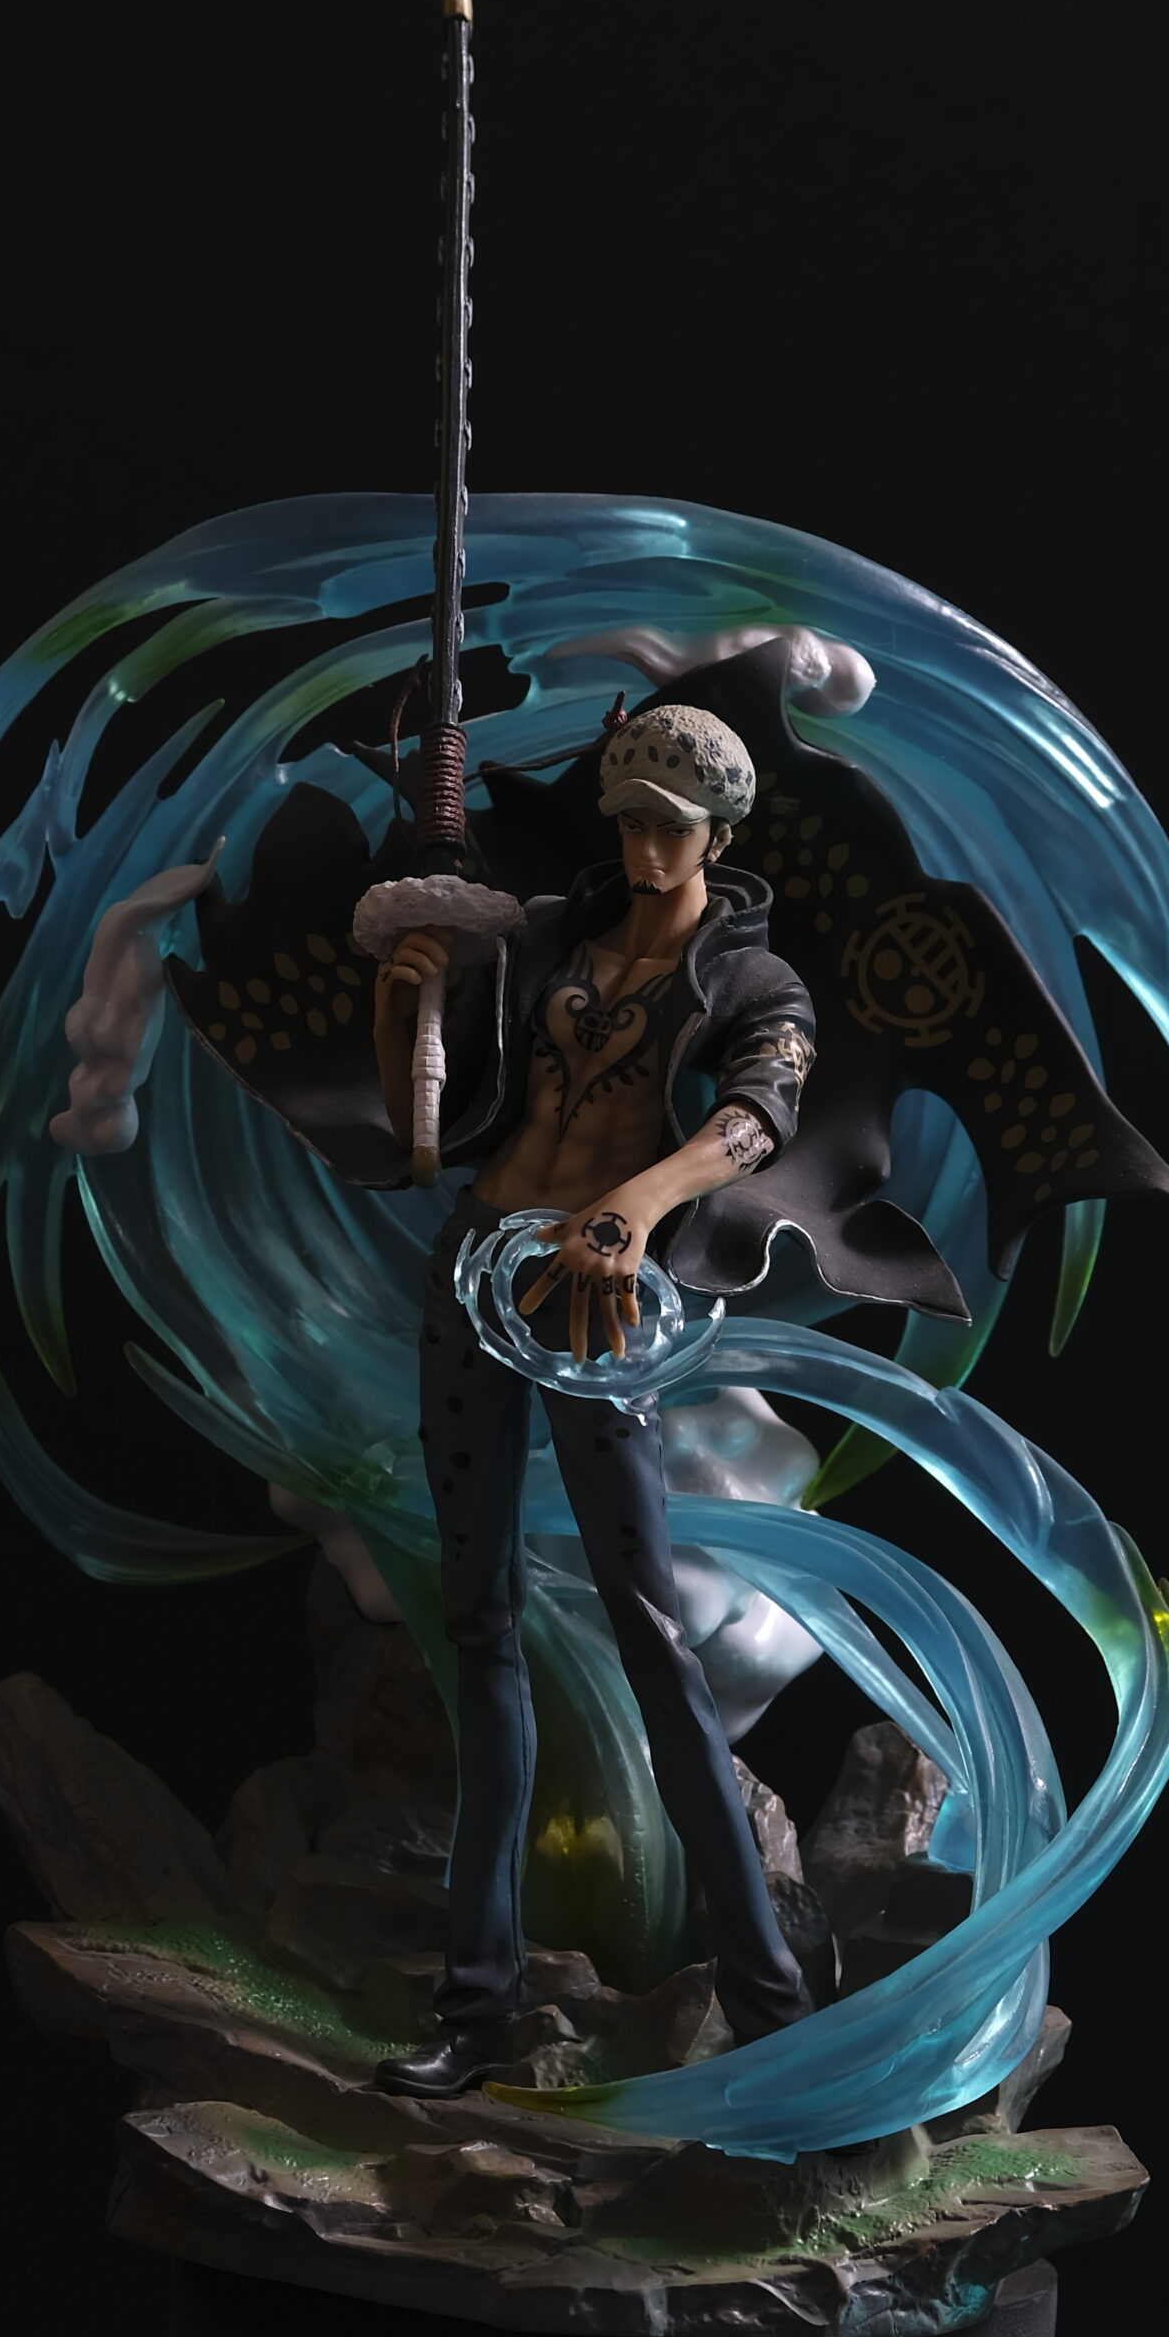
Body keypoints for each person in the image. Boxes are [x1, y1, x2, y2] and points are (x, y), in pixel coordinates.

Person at [365, 702, 820, 2096]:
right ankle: (477, 2007)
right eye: (626, 819)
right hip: (477, 1272)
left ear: (721, 836)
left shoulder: (755, 980)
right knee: (479, 1622)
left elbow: (760, 1115)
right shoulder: (550, 939)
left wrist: (638, 1201)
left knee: (648, 1628)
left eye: (669, 827)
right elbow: (430, 1129)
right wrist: (405, 1003)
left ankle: (773, 2006)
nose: (643, 846)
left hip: (599, 1300)